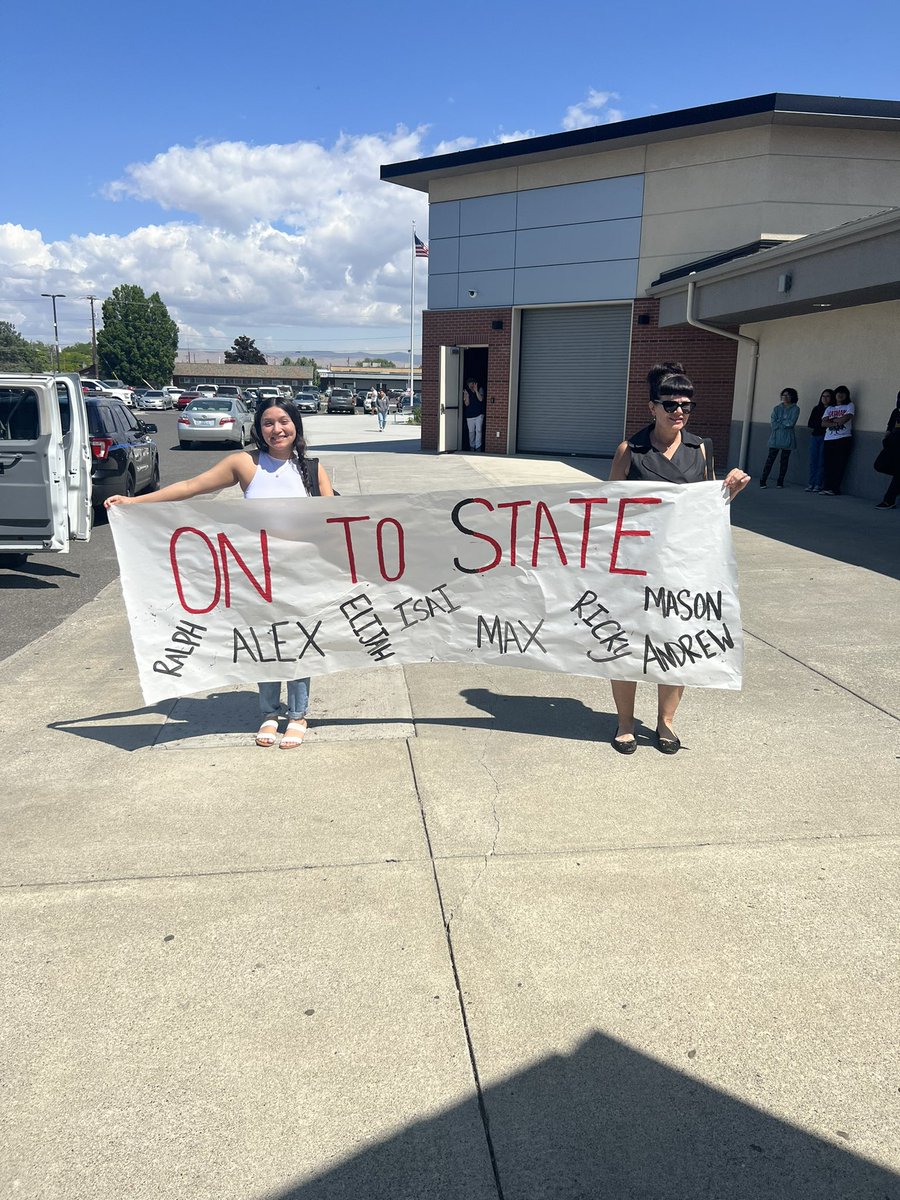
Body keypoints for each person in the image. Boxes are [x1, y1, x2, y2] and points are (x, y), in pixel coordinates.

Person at [104, 400, 334, 749]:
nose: (277, 430)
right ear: (258, 429)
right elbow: (193, 487)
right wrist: (135, 503)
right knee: (264, 642)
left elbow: (335, 522)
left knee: (298, 643)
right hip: (255, 573)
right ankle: (270, 713)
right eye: (268, 423)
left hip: (300, 573)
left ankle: (298, 715)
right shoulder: (245, 463)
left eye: (284, 421)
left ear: (296, 426)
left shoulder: (312, 470)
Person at [607, 362, 750, 756]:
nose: (679, 411)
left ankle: (665, 723)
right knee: (628, 643)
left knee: (678, 641)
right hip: (636, 565)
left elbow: (708, 505)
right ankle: (624, 723)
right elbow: (605, 510)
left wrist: (730, 490)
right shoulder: (630, 450)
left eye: (686, 405)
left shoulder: (700, 448)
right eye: (670, 404)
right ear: (652, 407)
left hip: (685, 565)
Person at [759, 387, 800, 488]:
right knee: (770, 459)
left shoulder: (795, 409)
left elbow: (791, 423)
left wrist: (780, 422)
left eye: (788, 395)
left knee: (784, 461)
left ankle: (780, 481)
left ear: (793, 397)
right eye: (783, 395)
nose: (785, 397)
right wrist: (783, 422)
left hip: (787, 438)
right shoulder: (777, 408)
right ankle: (763, 480)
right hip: (775, 437)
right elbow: (773, 424)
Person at [821, 385, 855, 496]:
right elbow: (823, 423)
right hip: (828, 439)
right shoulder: (829, 408)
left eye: (843, 393)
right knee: (828, 464)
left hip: (843, 439)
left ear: (846, 395)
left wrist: (833, 422)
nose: (840, 395)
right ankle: (826, 487)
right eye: (838, 393)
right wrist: (836, 422)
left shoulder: (849, 405)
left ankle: (835, 488)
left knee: (839, 464)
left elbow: (845, 419)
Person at [874, 391, 900, 509]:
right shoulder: (896, 412)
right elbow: (890, 427)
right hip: (892, 445)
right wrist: (886, 439)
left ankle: (889, 500)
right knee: (879, 465)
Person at [805, 388, 832, 492]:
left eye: (827, 396)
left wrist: (823, 425)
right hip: (815, 436)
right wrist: (821, 424)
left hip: (826, 437)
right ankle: (811, 483)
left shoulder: (832, 409)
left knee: (821, 461)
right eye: (823, 396)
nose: (825, 398)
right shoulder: (816, 409)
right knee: (813, 460)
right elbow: (810, 423)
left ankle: (818, 484)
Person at [462, 379, 485, 451]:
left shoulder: (480, 389)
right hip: (469, 415)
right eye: (469, 384)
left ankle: (478, 447)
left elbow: (481, 399)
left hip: (479, 414)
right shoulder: (466, 391)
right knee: (471, 432)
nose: (471, 385)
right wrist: (466, 396)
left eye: (472, 384)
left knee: (478, 430)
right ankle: (472, 446)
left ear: (475, 384)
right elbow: (467, 404)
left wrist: (476, 391)